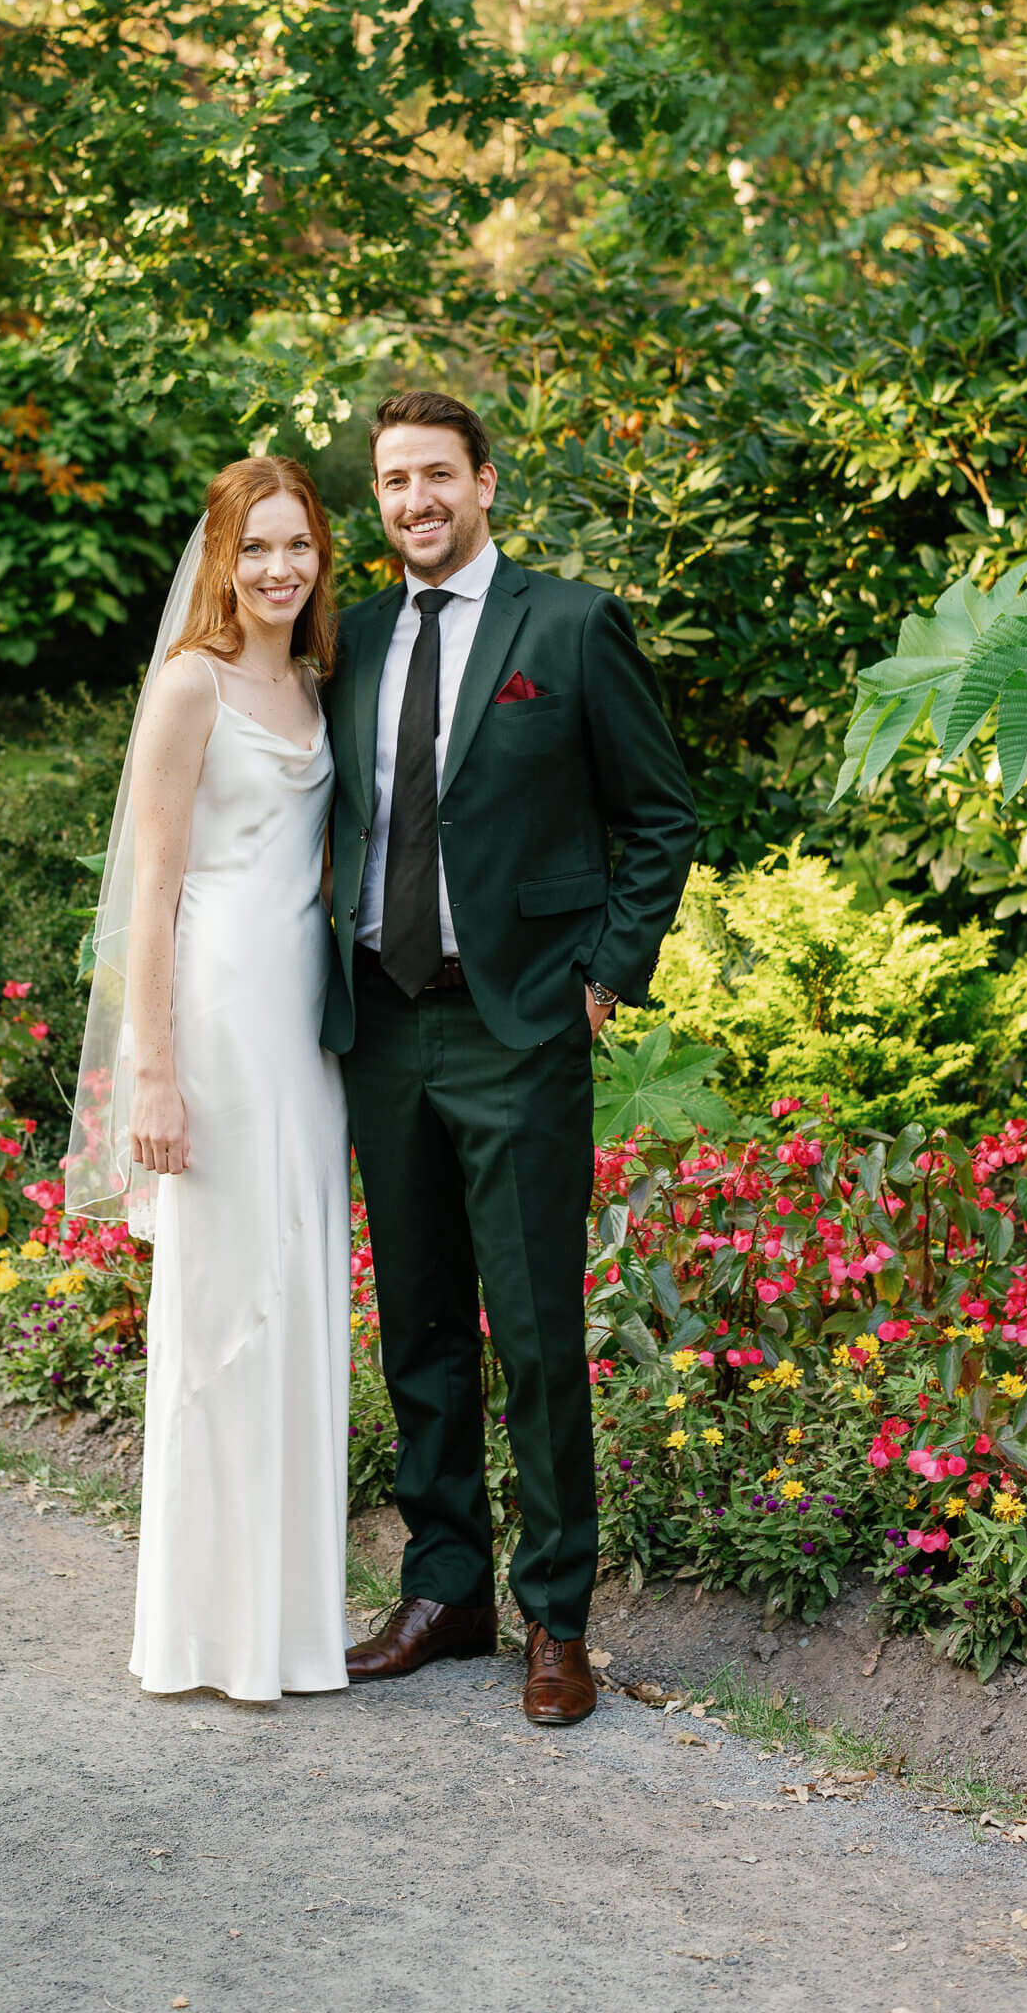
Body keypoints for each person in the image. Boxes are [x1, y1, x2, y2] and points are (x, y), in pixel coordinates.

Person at [322, 390, 696, 1726]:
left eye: (435, 476)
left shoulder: (571, 627)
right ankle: (444, 1591)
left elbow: (658, 814)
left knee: (533, 1333)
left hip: (519, 1024)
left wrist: (605, 972)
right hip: (379, 1020)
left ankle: (556, 1618)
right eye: (391, 483)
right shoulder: (350, 639)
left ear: (484, 482)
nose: (413, 502)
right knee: (417, 1322)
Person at [65, 458, 350, 1702]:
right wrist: (154, 1078)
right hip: (217, 1022)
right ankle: (201, 1635)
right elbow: (151, 899)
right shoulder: (191, 687)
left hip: (308, 1032)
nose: (280, 570)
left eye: (299, 548)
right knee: (222, 1315)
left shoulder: (318, 682)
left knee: (300, 1301)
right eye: (258, 550)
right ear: (222, 561)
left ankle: (293, 1629)